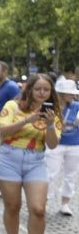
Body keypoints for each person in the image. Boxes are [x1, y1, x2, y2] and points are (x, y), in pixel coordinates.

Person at [0, 73, 62, 234]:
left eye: (46, 90)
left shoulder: (53, 113)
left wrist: (49, 124)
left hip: (36, 161)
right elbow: (3, 131)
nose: (42, 93)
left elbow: (52, 144)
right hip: (9, 159)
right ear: (29, 89)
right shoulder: (13, 106)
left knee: (38, 208)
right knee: (13, 206)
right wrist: (28, 119)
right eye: (38, 89)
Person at [45, 78, 79, 216]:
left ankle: (65, 203)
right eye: (69, 93)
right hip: (55, 145)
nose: (73, 95)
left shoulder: (76, 106)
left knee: (70, 175)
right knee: (50, 174)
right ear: (61, 93)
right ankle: (45, 201)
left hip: (74, 144)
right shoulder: (51, 107)